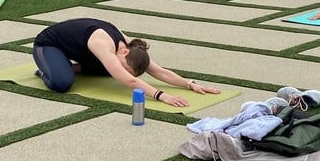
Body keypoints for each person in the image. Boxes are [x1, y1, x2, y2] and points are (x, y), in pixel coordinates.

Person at [32, 18, 221, 107]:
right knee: (62, 83)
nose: (125, 71)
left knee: (113, 70)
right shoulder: (103, 43)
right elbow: (130, 82)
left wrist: (190, 84)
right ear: (123, 52)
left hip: (80, 51)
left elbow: (160, 71)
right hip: (48, 45)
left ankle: (72, 67)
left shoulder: (131, 49)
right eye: (124, 65)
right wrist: (161, 96)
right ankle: (46, 70)